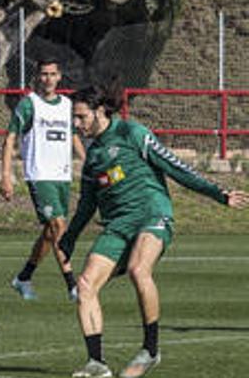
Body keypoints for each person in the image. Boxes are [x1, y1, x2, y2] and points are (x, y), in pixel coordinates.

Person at [58, 84, 248, 378]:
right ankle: (97, 364)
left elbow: (176, 168)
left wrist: (219, 194)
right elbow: (86, 204)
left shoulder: (132, 133)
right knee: (85, 285)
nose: (76, 124)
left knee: (138, 269)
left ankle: (150, 350)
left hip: (152, 215)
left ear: (99, 112)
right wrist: (68, 239)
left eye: (81, 117)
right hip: (117, 225)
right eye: (74, 117)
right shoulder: (94, 156)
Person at [0, 58, 85, 301]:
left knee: (51, 232)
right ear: (38, 77)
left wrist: (88, 164)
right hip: (40, 175)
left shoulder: (67, 105)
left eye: (52, 74)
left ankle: (24, 277)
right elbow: (10, 139)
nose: (48, 79)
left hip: (62, 176)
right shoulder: (29, 104)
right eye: (44, 74)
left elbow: (73, 137)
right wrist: (6, 176)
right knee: (59, 227)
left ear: (59, 77)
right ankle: (72, 285)